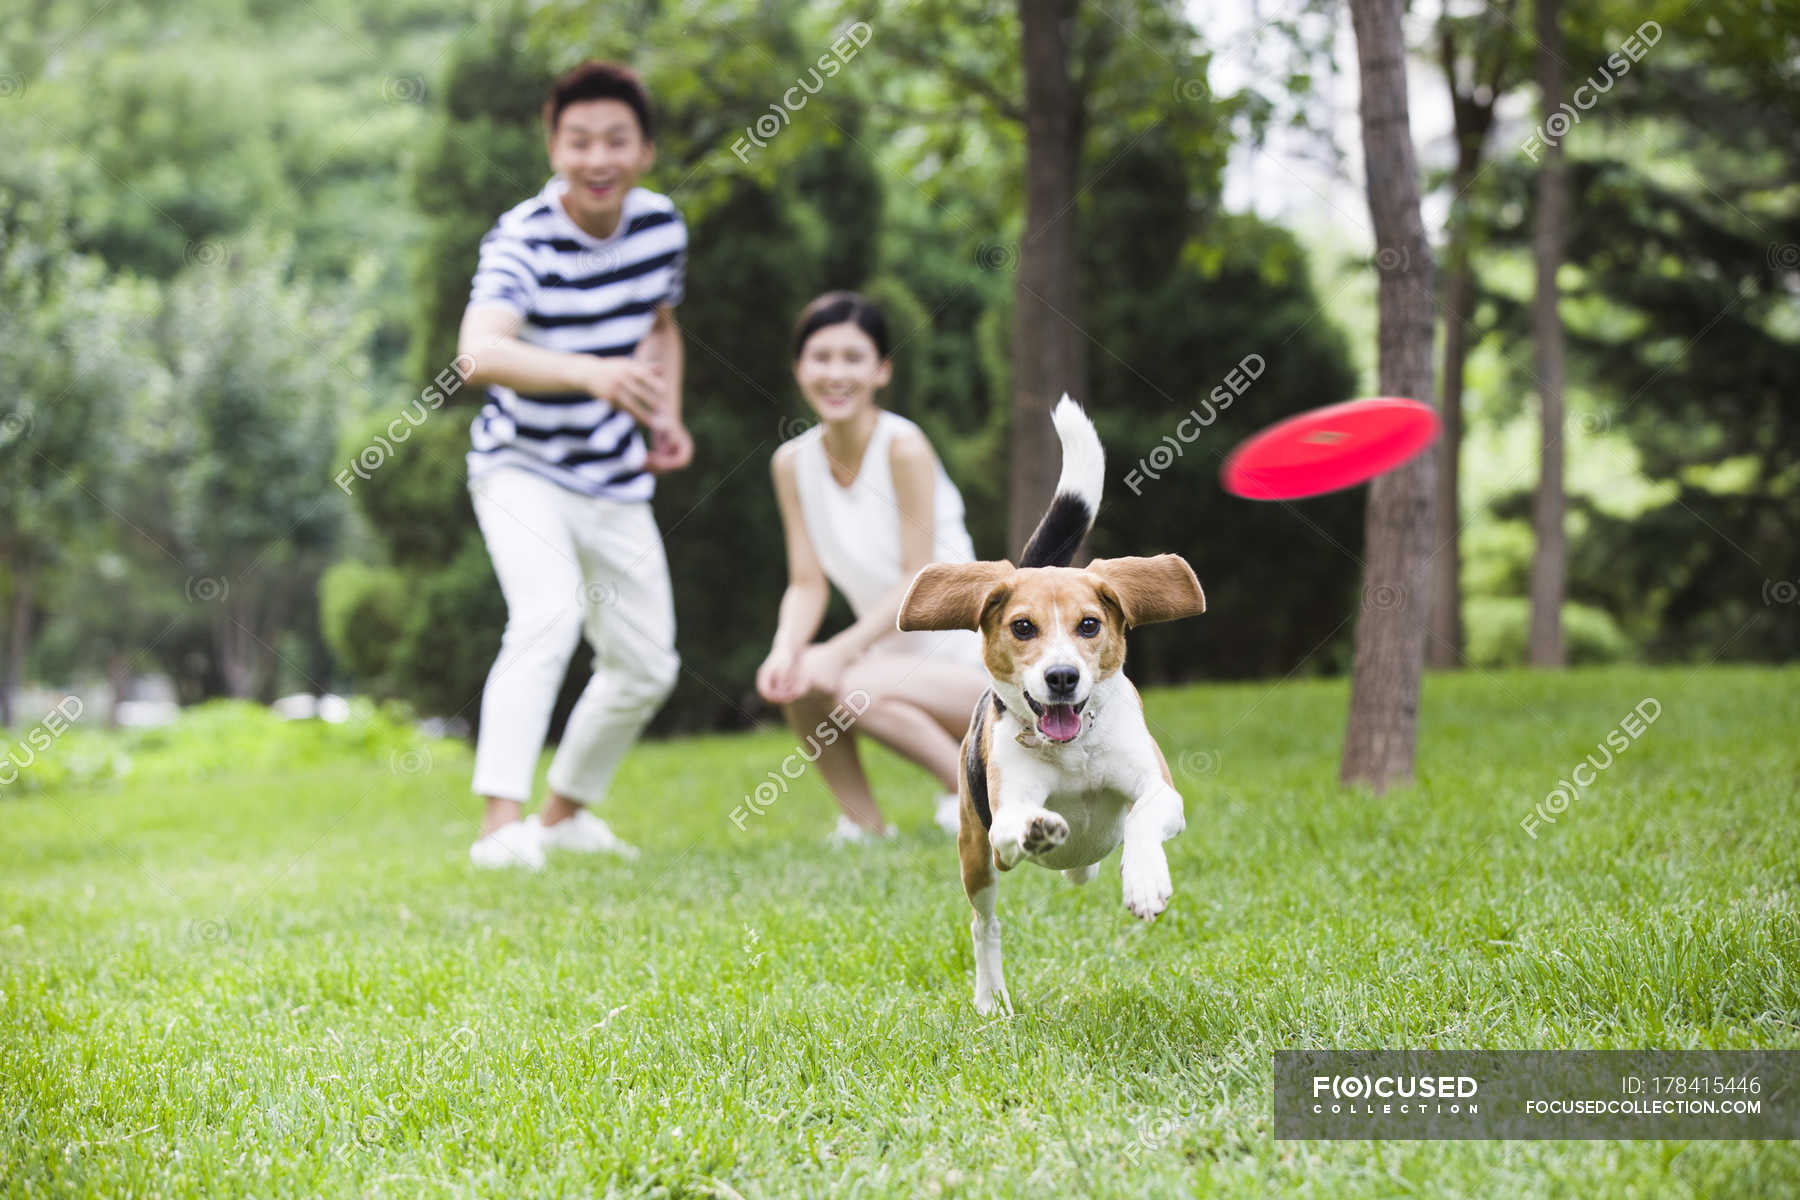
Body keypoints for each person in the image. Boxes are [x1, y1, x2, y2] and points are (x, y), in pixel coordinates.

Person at [456, 61, 691, 869]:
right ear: (553, 146)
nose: (598, 158)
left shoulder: (660, 225)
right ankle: (499, 829)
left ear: (646, 152)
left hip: (614, 475)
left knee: (646, 663)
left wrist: (664, 414)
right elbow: (477, 354)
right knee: (548, 616)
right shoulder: (522, 237)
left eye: (616, 141)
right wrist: (591, 372)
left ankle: (560, 817)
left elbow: (660, 323)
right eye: (580, 140)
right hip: (519, 466)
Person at [756, 293, 990, 842]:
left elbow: (919, 579)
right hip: (888, 661)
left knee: (840, 678)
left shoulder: (903, 447)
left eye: (853, 358)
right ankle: (863, 828)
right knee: (803, 678)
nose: (836, 373)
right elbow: (805, 582)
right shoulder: (791, 464)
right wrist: (785, 648)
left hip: (973, 666)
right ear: (798, 369)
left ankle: (974, 794)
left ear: (882, 370)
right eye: (821, 357)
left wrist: (838, 652)